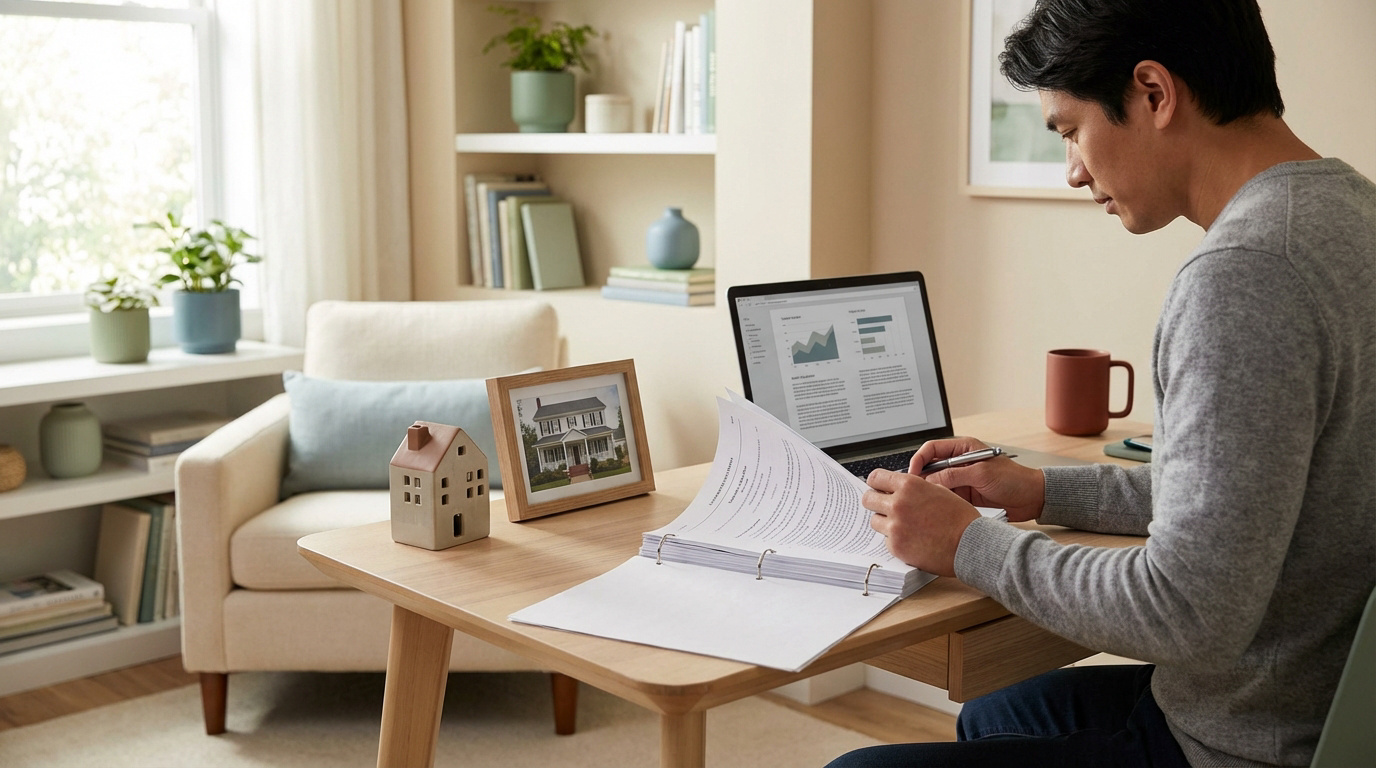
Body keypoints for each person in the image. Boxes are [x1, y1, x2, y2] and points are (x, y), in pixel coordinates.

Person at [827, 0, 1376, 766]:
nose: (1075, 170)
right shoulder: (1352, 210)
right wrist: (1042, 492)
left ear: (1154, 92)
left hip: (1244, 741)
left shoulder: (1244, 276)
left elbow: (1186, 610)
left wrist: (968, 545)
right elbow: (1245, 501)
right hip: (1314, 706)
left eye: (1070, 130)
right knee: (994, 712)